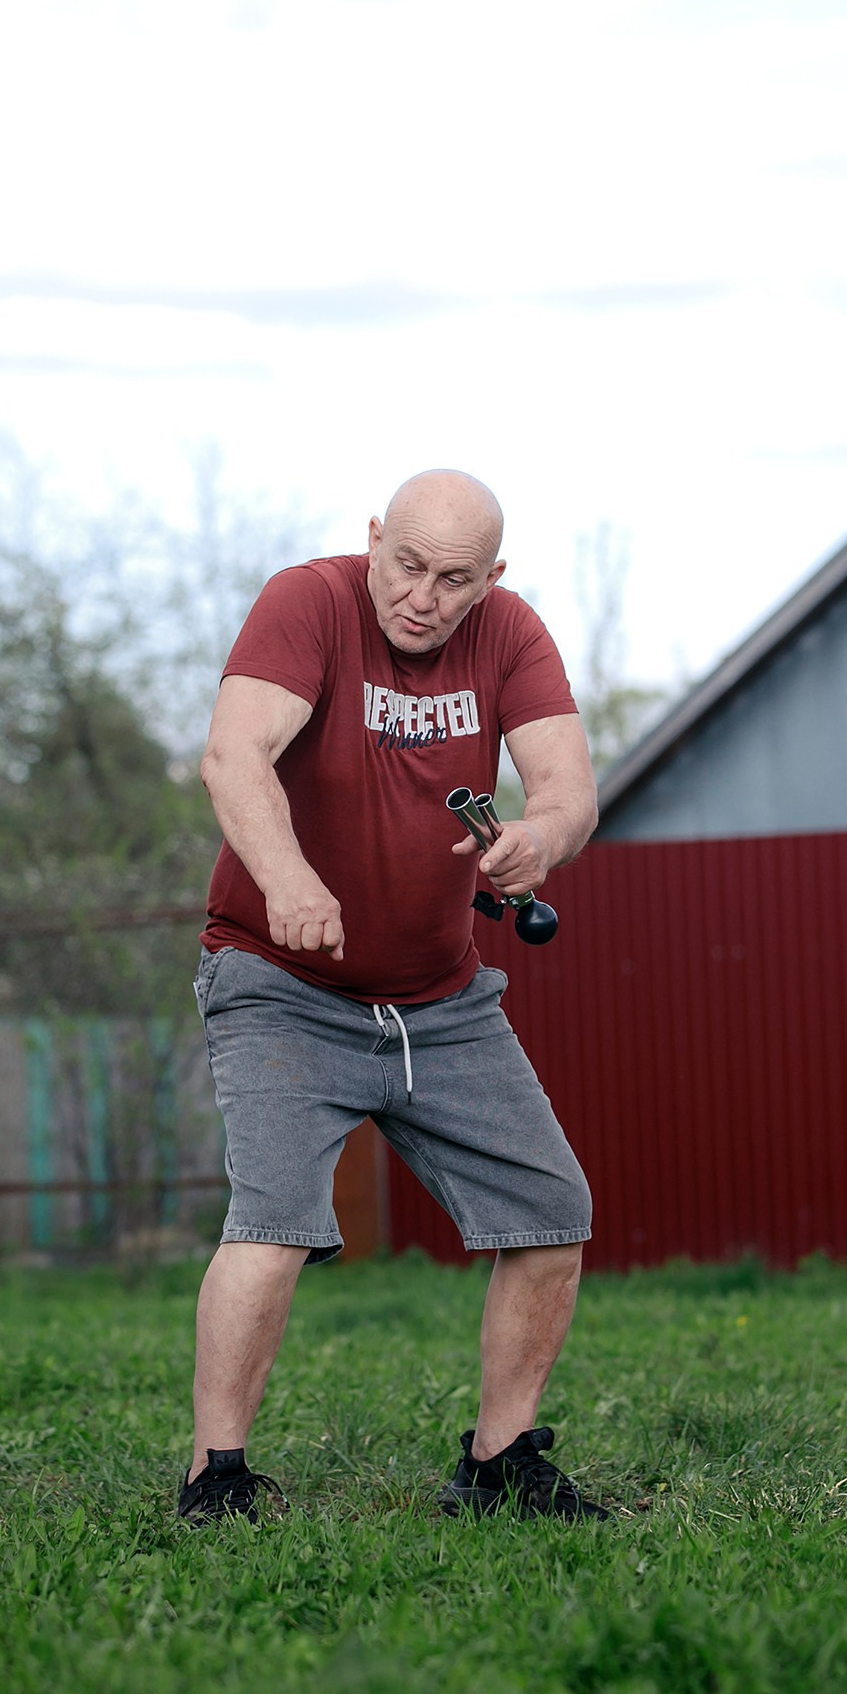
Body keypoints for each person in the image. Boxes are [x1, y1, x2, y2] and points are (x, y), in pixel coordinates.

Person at [183, 469, 604, 1523]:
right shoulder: (309, 602)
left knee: (551, 1214)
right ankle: (216, 1476)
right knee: (274, 1222)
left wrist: (537, 839)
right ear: (374, 538)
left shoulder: (510, 632)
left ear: (490, 578)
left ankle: (499, 1464)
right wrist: (289, 881)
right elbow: (234, 755)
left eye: (453, 579)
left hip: (442, 1000)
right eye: (407, 565)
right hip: (282, 985)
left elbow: (568, 791)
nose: (423, 596)